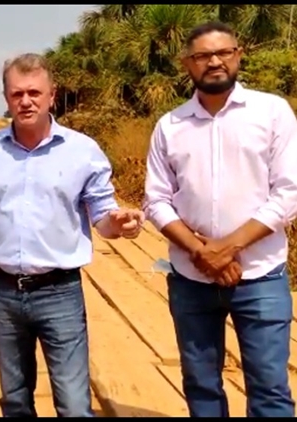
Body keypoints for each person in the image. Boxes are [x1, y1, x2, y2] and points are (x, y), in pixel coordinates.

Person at [0, 53, 145, 418]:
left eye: (34, 92)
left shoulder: (83, 151)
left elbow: (103, 218)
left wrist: (120, 225)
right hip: (1, 292)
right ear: (6, 98)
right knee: (15, 400)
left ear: (52, 95)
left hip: (59, 292)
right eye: (17, 94)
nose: (26, 101)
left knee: (75, 405)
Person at [143, 21, 297, 418]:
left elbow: (289, 193)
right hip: (192, 279)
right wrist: (200, 252)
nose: (214, 61)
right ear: (187, 64)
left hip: (261, 275)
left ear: (238, 55)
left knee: (269, 388)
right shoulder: (170, 126)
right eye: (202, 56)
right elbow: (156, 201)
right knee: (201, 385)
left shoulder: (272, 112)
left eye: (223, 52)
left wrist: (228, 248)